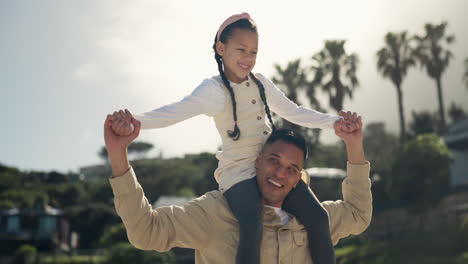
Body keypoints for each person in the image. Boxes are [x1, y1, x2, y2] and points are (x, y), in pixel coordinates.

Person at [108, 12, 359, 264]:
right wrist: (134, 122)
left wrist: (335, 123)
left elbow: (293, 111)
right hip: (238, 173)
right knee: (252, 222)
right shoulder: (213, 90)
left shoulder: (260, 83)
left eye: (253, 52)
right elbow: (176, 111)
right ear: (221, 48)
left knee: (318, 218)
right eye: (241, 49)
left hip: (269, 167)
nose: (247, 58)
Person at [104, 111, 372, 264]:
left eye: (292, 169)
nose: (280, 173)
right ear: (258, 161)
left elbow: (359, 215)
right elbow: (145, 232)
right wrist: (118, 154)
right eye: (274, 161)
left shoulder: (315, 220)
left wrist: (353, 144)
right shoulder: (214, 212)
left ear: (299, 176)